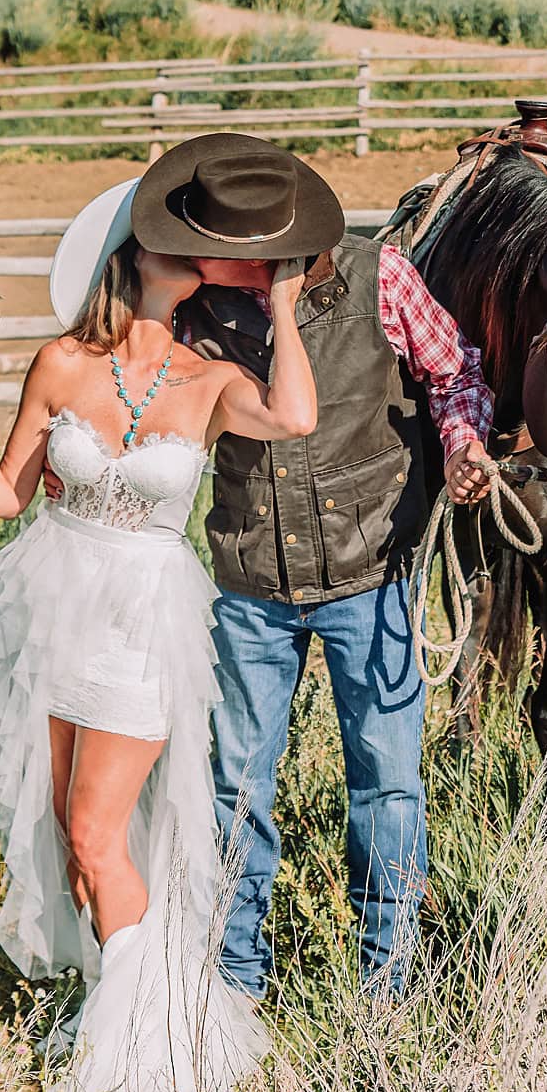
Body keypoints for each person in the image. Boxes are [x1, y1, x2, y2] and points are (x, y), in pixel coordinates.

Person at [0, 172, 319, 1092]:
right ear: (126, 255)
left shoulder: (209, 381)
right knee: (66, 838)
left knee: (96, 834)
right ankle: (119, 1010)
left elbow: (295, 416)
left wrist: (281, 303)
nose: (180, 249)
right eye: (160, 235)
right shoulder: (61, 366)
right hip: (57, 607)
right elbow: (6, 485)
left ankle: (137, 1063)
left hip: (141, 626)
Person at [129, 132, 494, 1004]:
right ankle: (235, 980)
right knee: (239, 784)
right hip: (252, 578)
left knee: (386, 782)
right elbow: (129, 375)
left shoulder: (382, 278)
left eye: (221, 253)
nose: (204, 263)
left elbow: (453, 372)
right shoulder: (196, 309)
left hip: (373, 567)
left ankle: (389, 983)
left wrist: (464, 440)